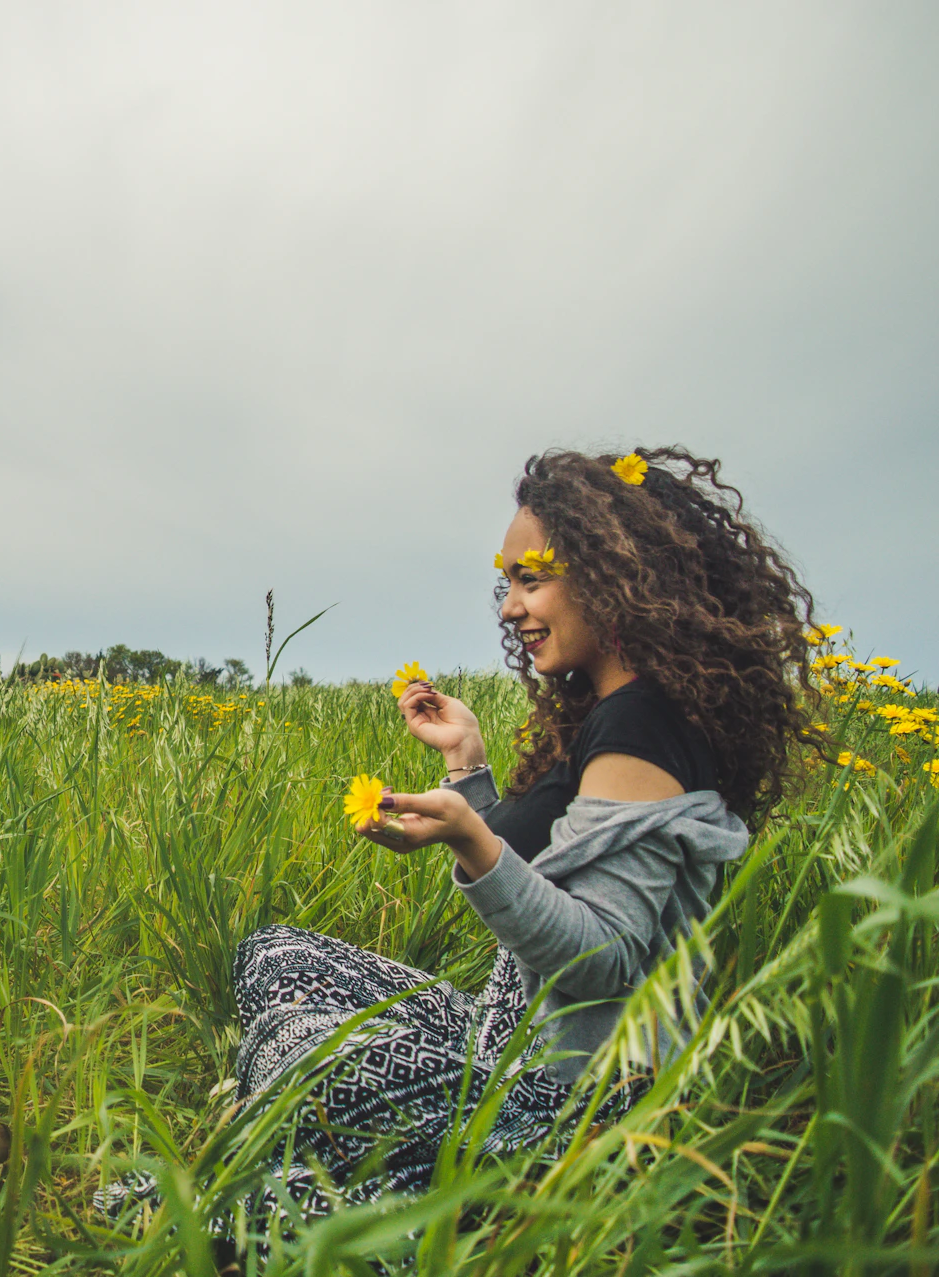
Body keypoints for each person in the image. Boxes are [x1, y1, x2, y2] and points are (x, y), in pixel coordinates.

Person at [102, 447, 817, 1239]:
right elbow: (554, 863)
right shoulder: (611, 711)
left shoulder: (640, 726)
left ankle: (295, 1199)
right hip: (503, 1039)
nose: (510, 608)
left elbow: (602, 955)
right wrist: (467, 768)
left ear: (614, 577)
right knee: (273, 955)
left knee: (312, 1051)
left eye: (532, 579)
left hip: (573, 1109)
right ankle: (323, 1153)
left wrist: (471, 840)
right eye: (507, 581)